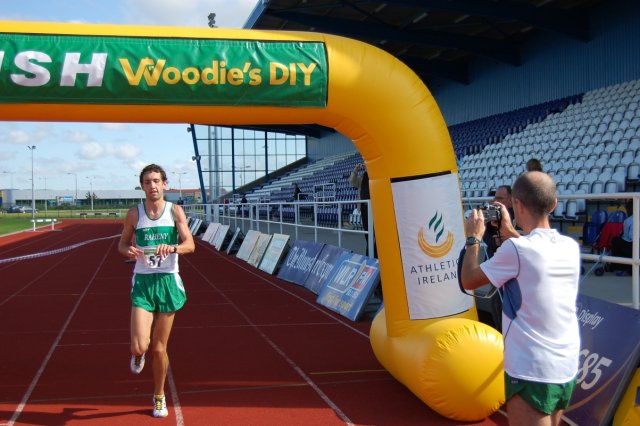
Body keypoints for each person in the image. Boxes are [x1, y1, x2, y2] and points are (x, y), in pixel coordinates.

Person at [460, 171, 580, 426]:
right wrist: (511, 229)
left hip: (531, 368)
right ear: (554, 203)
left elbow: (469, 280)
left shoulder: (516, 249)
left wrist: (474, 238)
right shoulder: (569, 246)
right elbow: (534, 250)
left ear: (518, 205)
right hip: (566, 364)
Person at [118, 164, 195, 418]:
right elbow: (122, 243)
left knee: (159, 349)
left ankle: (159, 396)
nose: (152, 185)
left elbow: (190, 245)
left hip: (168, 282)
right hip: (143, 281)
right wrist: (128, 250)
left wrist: (172, 248)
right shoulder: (134, 214)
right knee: (140, 346)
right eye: (147, 182)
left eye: (156, 181)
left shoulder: (175, 211)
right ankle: (137, 355)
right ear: (142, 186)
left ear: (165, 184)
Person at [349, 162, 376, 257]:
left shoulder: (375, 175)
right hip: (364, 207)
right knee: (367, 232)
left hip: (375, 208)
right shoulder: (361, 178)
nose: (365, 167)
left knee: (375, 233)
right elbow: (352, 182)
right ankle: (370, 253)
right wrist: (356, 170)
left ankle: (375, 253)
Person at [612, 199, 633, 275]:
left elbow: (631, 237)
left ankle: (618, 266)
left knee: (615, 240)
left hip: (633, 246)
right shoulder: (629, 220)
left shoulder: (629, 220)